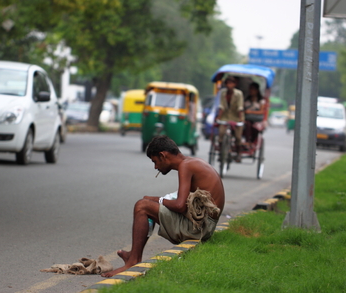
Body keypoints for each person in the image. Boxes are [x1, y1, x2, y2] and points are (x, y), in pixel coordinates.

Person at [101, 135, 225, 278]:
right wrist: (156, 201)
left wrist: (155, 199)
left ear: (162, 155)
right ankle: (133, 255)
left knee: (142, 206)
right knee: (149, 205)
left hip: (199, 229)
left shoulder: (186, 166)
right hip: (206, 226)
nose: (155, 167)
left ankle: (133, 261)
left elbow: (180, 206)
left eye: (155, 162)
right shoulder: (192, 162)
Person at [215, 76, 244, 162]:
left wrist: (241, 119)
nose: (229, 85)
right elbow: (221, 106)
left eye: (231, 83)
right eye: (228, 83)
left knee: (238, 136)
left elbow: (240, 107)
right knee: (221, 133)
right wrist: (219, 117)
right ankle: (221, 152)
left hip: (236, 117)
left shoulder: (239, 93)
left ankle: (238, 154)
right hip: (225, 116)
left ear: (234, 84)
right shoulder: (223, 93)